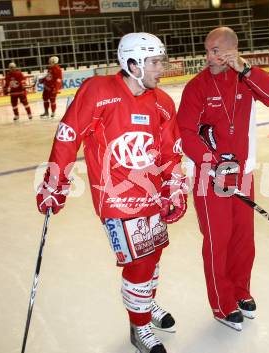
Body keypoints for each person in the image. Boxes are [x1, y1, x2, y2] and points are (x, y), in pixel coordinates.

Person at [36, 33, 188, 353]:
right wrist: (55, 183)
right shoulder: (98, 91)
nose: (162, 68)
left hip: (151, 193)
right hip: (117, 198)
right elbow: (68, 136)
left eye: (162, 61)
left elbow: (169, 152)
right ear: (132, 64)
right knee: (139, 262)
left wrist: (174, 186)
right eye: (155, 62)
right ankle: (139, 325)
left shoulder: (162, 102)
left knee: (154, 254)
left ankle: (145, 304)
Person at [176, 26, 269, 331]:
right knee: (218, 240)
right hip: (208, 177)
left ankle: (241, 291)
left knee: (243, 240)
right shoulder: (197, 86)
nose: (208, 56)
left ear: (230, 51)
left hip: (244, 172)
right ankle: (222, 303)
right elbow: (185, 132)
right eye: (207, 49)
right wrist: (211, 164)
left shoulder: (245, 78)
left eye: (215, 50)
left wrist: (247, 70)